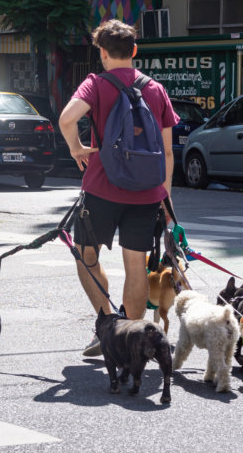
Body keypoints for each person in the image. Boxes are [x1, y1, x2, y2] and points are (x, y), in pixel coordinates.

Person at [58, 19, 179, 356]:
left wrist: (76, 147)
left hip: (101, 188)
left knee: (86, 257)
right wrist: (164, 200)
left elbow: (67, 119)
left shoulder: (96, 83)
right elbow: (168, 152)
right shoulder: (155, 89)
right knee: (136, 265)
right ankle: (132, 336)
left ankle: (107, 324)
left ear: (102, 53)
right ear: (134, 51)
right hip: (147, 194)